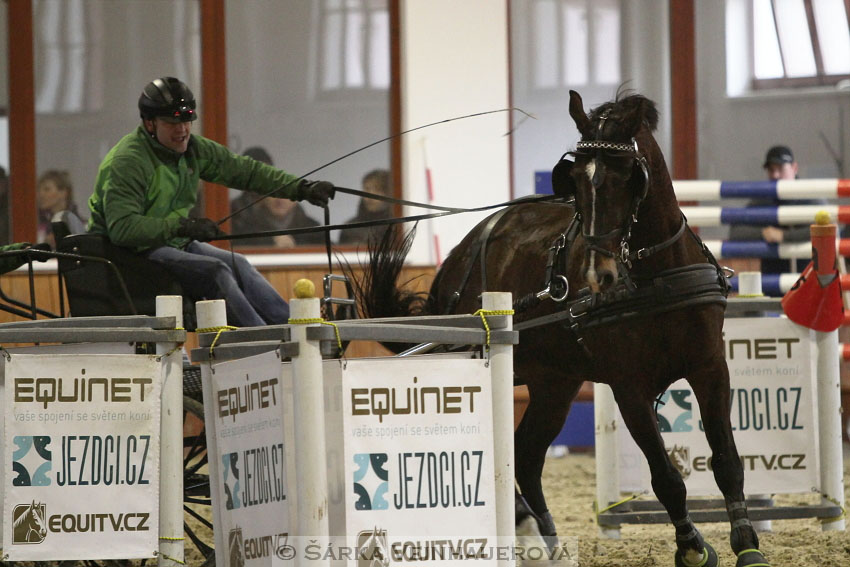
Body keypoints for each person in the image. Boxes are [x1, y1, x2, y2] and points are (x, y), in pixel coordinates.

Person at [87, 76, 335, 326]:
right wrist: (183, 227)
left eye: (186, 120)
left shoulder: (192, 150)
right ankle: (266, 342)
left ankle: (298, 332)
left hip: (169, 242)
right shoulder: (129, 161)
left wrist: (302, 188)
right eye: (172, 122)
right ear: (150, 124)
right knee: (216, 272)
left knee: (240, 265)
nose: (182, 129)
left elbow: (246, 172)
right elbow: (123, 229)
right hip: (128, 254)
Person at [729, 145, 820, 273]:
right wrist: (763, 232)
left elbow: (827, 228)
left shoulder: (810, 196)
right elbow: (736, 232)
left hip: (807, 275)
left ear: (794, 168)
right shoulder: (763, 200)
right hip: (772, 278)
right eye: (771, 170)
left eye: (781, 168)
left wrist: (784, 236)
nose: (776, 175)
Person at [229, 147, 325, 247]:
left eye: (286, 193)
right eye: (274, 193)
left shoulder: (311, 228)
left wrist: (296, 244)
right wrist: (270, 242)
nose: (280, 199)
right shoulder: (243, 220)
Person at [338, 169, 393, 245]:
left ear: (388, 193)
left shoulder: (396, 227)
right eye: (367, 189)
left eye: (377, 190)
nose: (370, 195)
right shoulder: (349, 228)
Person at [37, 169, 86, 248]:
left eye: (47, 189)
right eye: (38, 190)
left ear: (63, 192)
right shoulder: (37, 224)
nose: (40, 194)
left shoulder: (79, 225)